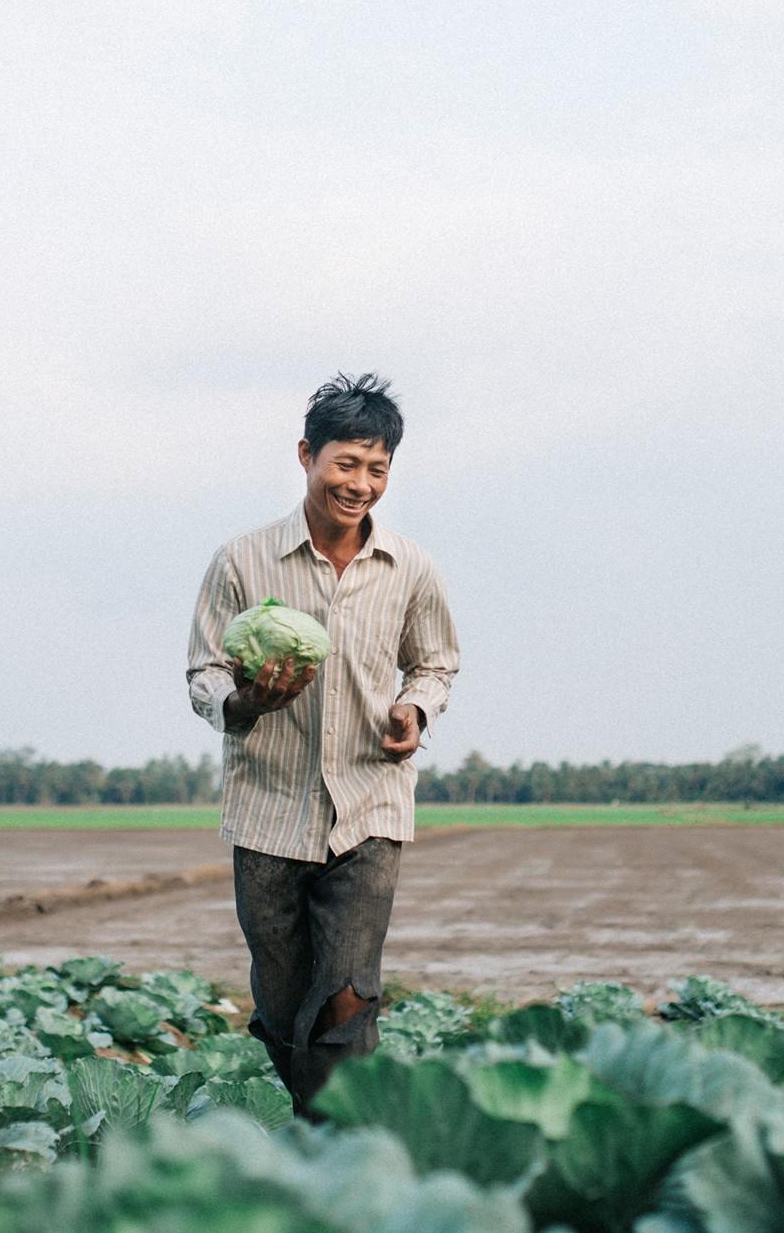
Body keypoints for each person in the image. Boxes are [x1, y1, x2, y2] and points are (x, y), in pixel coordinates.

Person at [185, 372, 459, 1114]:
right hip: (269, 812)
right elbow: (203, 672)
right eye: (346, 463)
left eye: (376, 469)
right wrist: (243, 700)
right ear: (307, 455)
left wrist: (415, 709)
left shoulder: (411, 569)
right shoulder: (241, 561)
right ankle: (316, 1127)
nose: (360, 483)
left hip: (369, 807)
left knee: (346, 999)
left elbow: (435, 660)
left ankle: (349, 1145)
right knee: (281, 1007)